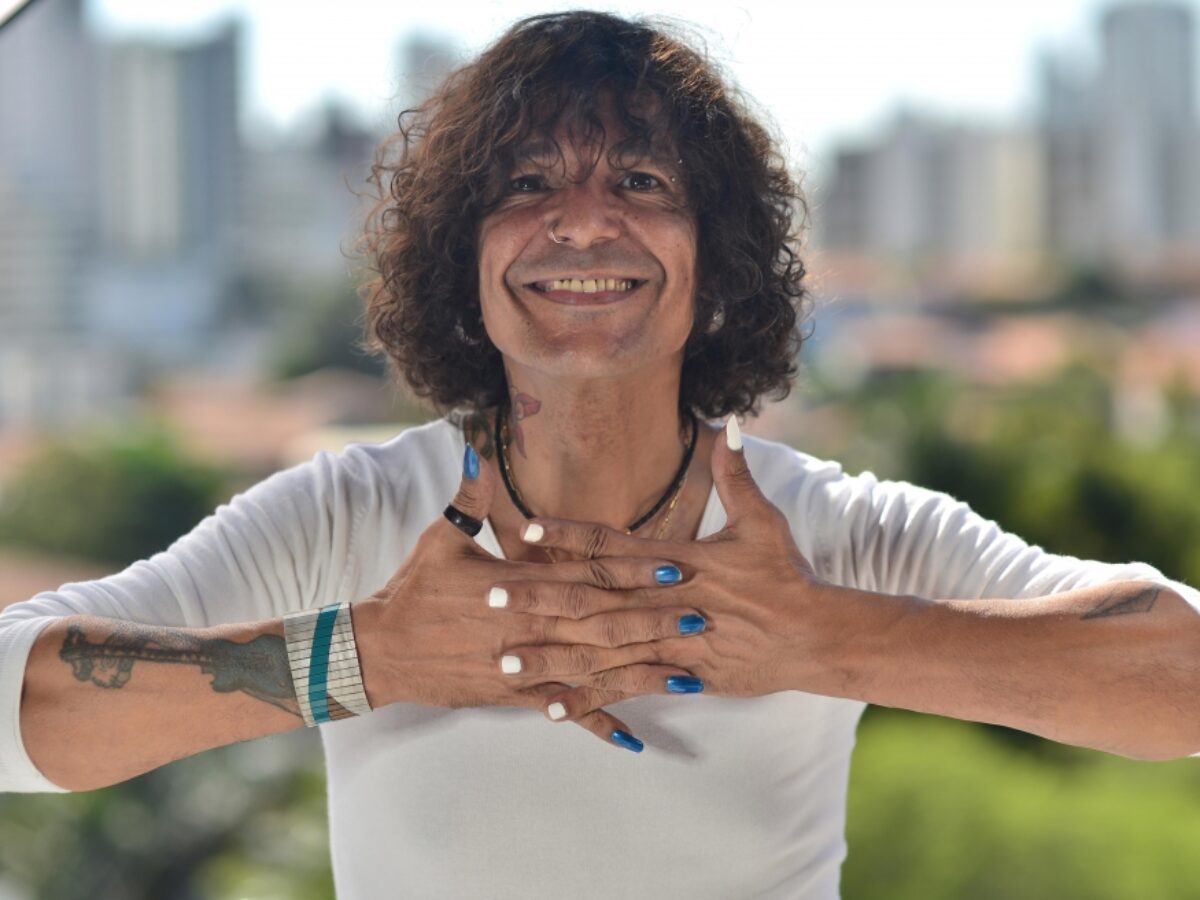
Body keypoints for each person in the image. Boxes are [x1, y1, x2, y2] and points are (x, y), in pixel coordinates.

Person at [2, 10, 1198, 899]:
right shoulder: (347, 518)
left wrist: (822, 636)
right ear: (462, 259)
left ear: (716, 257)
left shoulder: (834, 533)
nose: (582, 220)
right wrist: (366, 654)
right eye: (528, 183)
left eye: (639, 180)